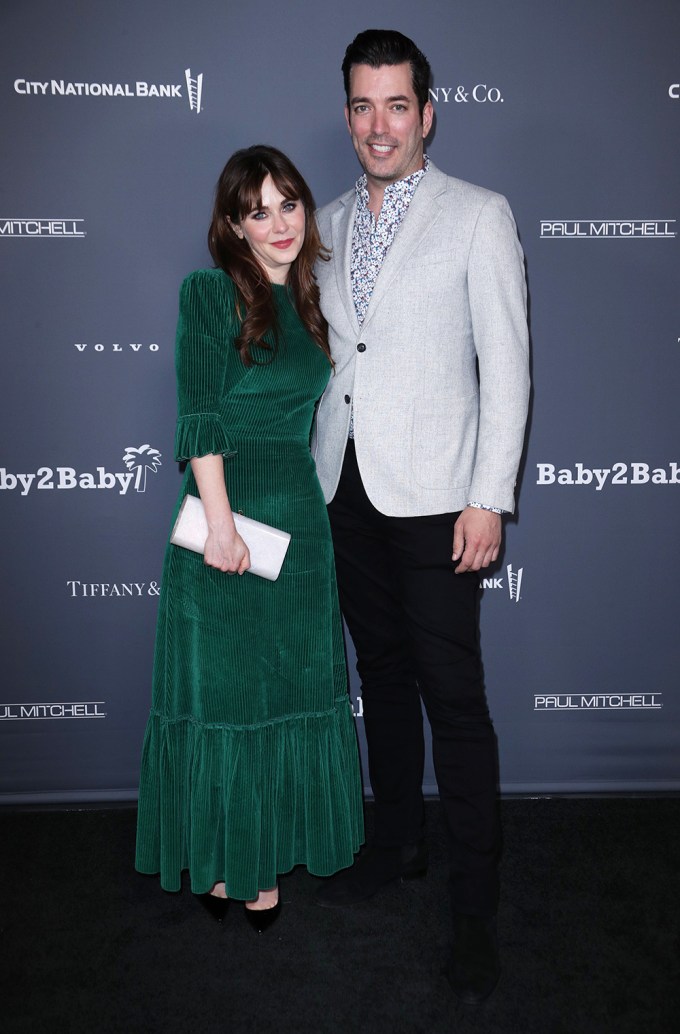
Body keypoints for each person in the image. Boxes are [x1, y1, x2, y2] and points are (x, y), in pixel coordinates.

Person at [311, 30, 530, 1002]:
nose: (377, 124)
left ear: (426, 113)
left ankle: (473, 905)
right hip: (345, 489)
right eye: (361, 106)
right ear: (348, 114)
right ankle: (397, 840)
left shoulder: (478, 216)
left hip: (441, 495)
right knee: (383, 678)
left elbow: (507, 367)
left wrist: (488, 494)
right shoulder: (319, 223)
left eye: (395, 105)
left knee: (453, 695)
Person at [135, 145, 364, 933]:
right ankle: (229, 858)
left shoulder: (309, 304)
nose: (278, 222)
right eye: (257, 209)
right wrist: (223, 526)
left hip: (299, 525)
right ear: (233, 225)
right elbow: (198, 415)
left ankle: (270, 844)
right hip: (224, 521)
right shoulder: (208, 295)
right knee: (227, 697)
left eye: (289, 203)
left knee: (289, 690)